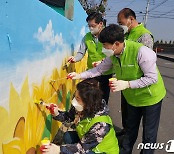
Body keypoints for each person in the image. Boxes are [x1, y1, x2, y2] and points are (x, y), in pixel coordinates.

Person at [68, 24, 166, 154]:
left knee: (149, 135)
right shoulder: (113, 55)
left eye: (105, 45)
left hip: (150, 98)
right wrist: (79, 75)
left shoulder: (142, 52)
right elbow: (99, 69)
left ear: (116, 43)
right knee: (130, 130)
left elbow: (152, 78)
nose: (103, 49)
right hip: (132, 99)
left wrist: (127, 84)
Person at [41, 79, 119, 154]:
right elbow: (69, 117)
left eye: (78, 98)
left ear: (88, 102)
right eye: (75, 96)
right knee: (68, 136)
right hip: (88, 143)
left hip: (101, 151)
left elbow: (82, 148)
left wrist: (58, 150)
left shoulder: (101, 125)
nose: (74, 101)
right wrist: (56, 113)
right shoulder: (81, 107)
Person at [117, 8, 155, 136]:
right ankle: (125, 132)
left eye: (121, 22)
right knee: (125, 112)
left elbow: (147, 65)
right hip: (125, 82)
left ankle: (131, 138)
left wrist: (132, 83)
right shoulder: (126, 34)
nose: (120, 25)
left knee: (140, 120)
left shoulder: (144, 36)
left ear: (131, 19)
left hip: (138, 85)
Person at [67, 12, 113, 104]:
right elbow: (81, 52)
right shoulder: (87, 37)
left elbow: (113, 53)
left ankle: (101, 114)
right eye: (89, 26)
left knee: (103, 96)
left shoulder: (108, 36)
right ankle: (89, 113)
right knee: (88, 95)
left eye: (93, 25)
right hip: (92, 71)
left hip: (106, 71)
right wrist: (75, 59)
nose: (91, 28)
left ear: (100, 24)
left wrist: (102, 62)